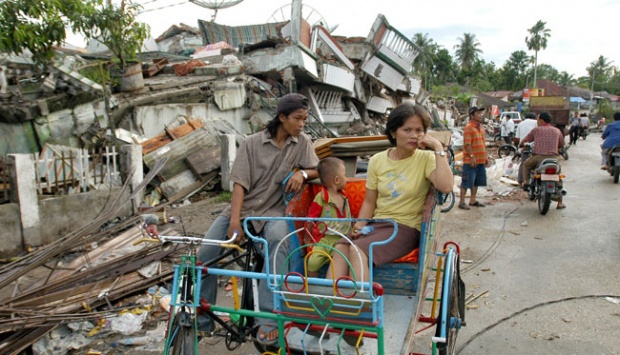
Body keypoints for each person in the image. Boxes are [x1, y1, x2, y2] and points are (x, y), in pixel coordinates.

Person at [195, 93, 319, 345]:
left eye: (305, 119)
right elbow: (239, 183)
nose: (302, 124)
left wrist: (304, 173)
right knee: (206, 252)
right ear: (282, 117)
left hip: (274, 212)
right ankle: (203, 318)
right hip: (240, 210)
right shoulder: (252, 143)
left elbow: (319, 168)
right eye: (298, 118)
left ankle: (268, 320)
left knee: (278, 242)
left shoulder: (302, 142)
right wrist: (234, 222)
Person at [329, 103, 453, 282]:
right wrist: (359, 226)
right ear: (394, 132)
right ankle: (329, 300)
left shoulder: (426, 158)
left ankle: (360, 304)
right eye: (407, 129)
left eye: (419, 130)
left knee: (358, 251)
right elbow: (370, 201)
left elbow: (447, 186)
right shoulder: (377, 161)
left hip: (406, 228)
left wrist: (438, 149)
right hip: (378, 224)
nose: (414, 135)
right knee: (340, 247)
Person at [306, 157, 352, 277]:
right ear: (337, 180)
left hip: (343, 239)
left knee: (345, 261)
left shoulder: (344, 197)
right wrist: (307, 237)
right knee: (312, 262)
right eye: (345, 175)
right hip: (325, 239)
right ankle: (312, 287)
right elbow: (311, 218)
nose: (347, 179)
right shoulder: (321, 198)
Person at [520, 112, 566, 209]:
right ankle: (560, 203)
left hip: (538, 157)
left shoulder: (536, 130)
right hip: (553, 158)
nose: (537, 121)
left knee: (526, 164)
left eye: (538, 119)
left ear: (541, 120)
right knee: (557, 176)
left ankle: (526, 182)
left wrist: (522, 144)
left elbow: (524, 141)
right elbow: (562, 144)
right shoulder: (557, 131)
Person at [458, 106, 488, 210]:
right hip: (470, 160)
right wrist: (471, 156)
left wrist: (486, 157)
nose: (481, 115)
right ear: (472, 116)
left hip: (480, 159)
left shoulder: (481, 127)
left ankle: (472, 200)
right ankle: (462, 201)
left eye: (481, 113)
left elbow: (483, 143)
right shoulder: (469, 127)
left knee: (476, 182)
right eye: (478, 114)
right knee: (466, 180)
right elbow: (467, 144)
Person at [513, 113, 538, 185]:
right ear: (533, 118)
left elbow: (517, 138)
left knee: (523, 163)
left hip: (524, 146)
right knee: (536, 164)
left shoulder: (520, 124)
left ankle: (521, 181)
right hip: (535, 147)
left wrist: (518, 146)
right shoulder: (536, 122)